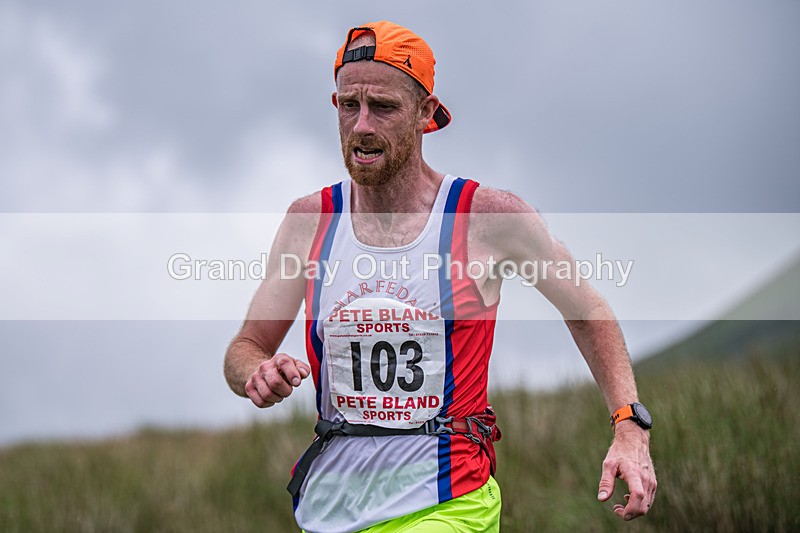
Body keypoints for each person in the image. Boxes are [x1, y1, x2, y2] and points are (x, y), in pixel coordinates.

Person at [224, 20, 656, 532]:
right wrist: (257, 372)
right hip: (332, 507)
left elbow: (586, 311)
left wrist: (630, 426)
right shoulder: (308, 221)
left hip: (450, 502)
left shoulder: (487, 218)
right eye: (348, 105)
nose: (361, 125)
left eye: (383, 107)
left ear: (425, 113)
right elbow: (246, 348)